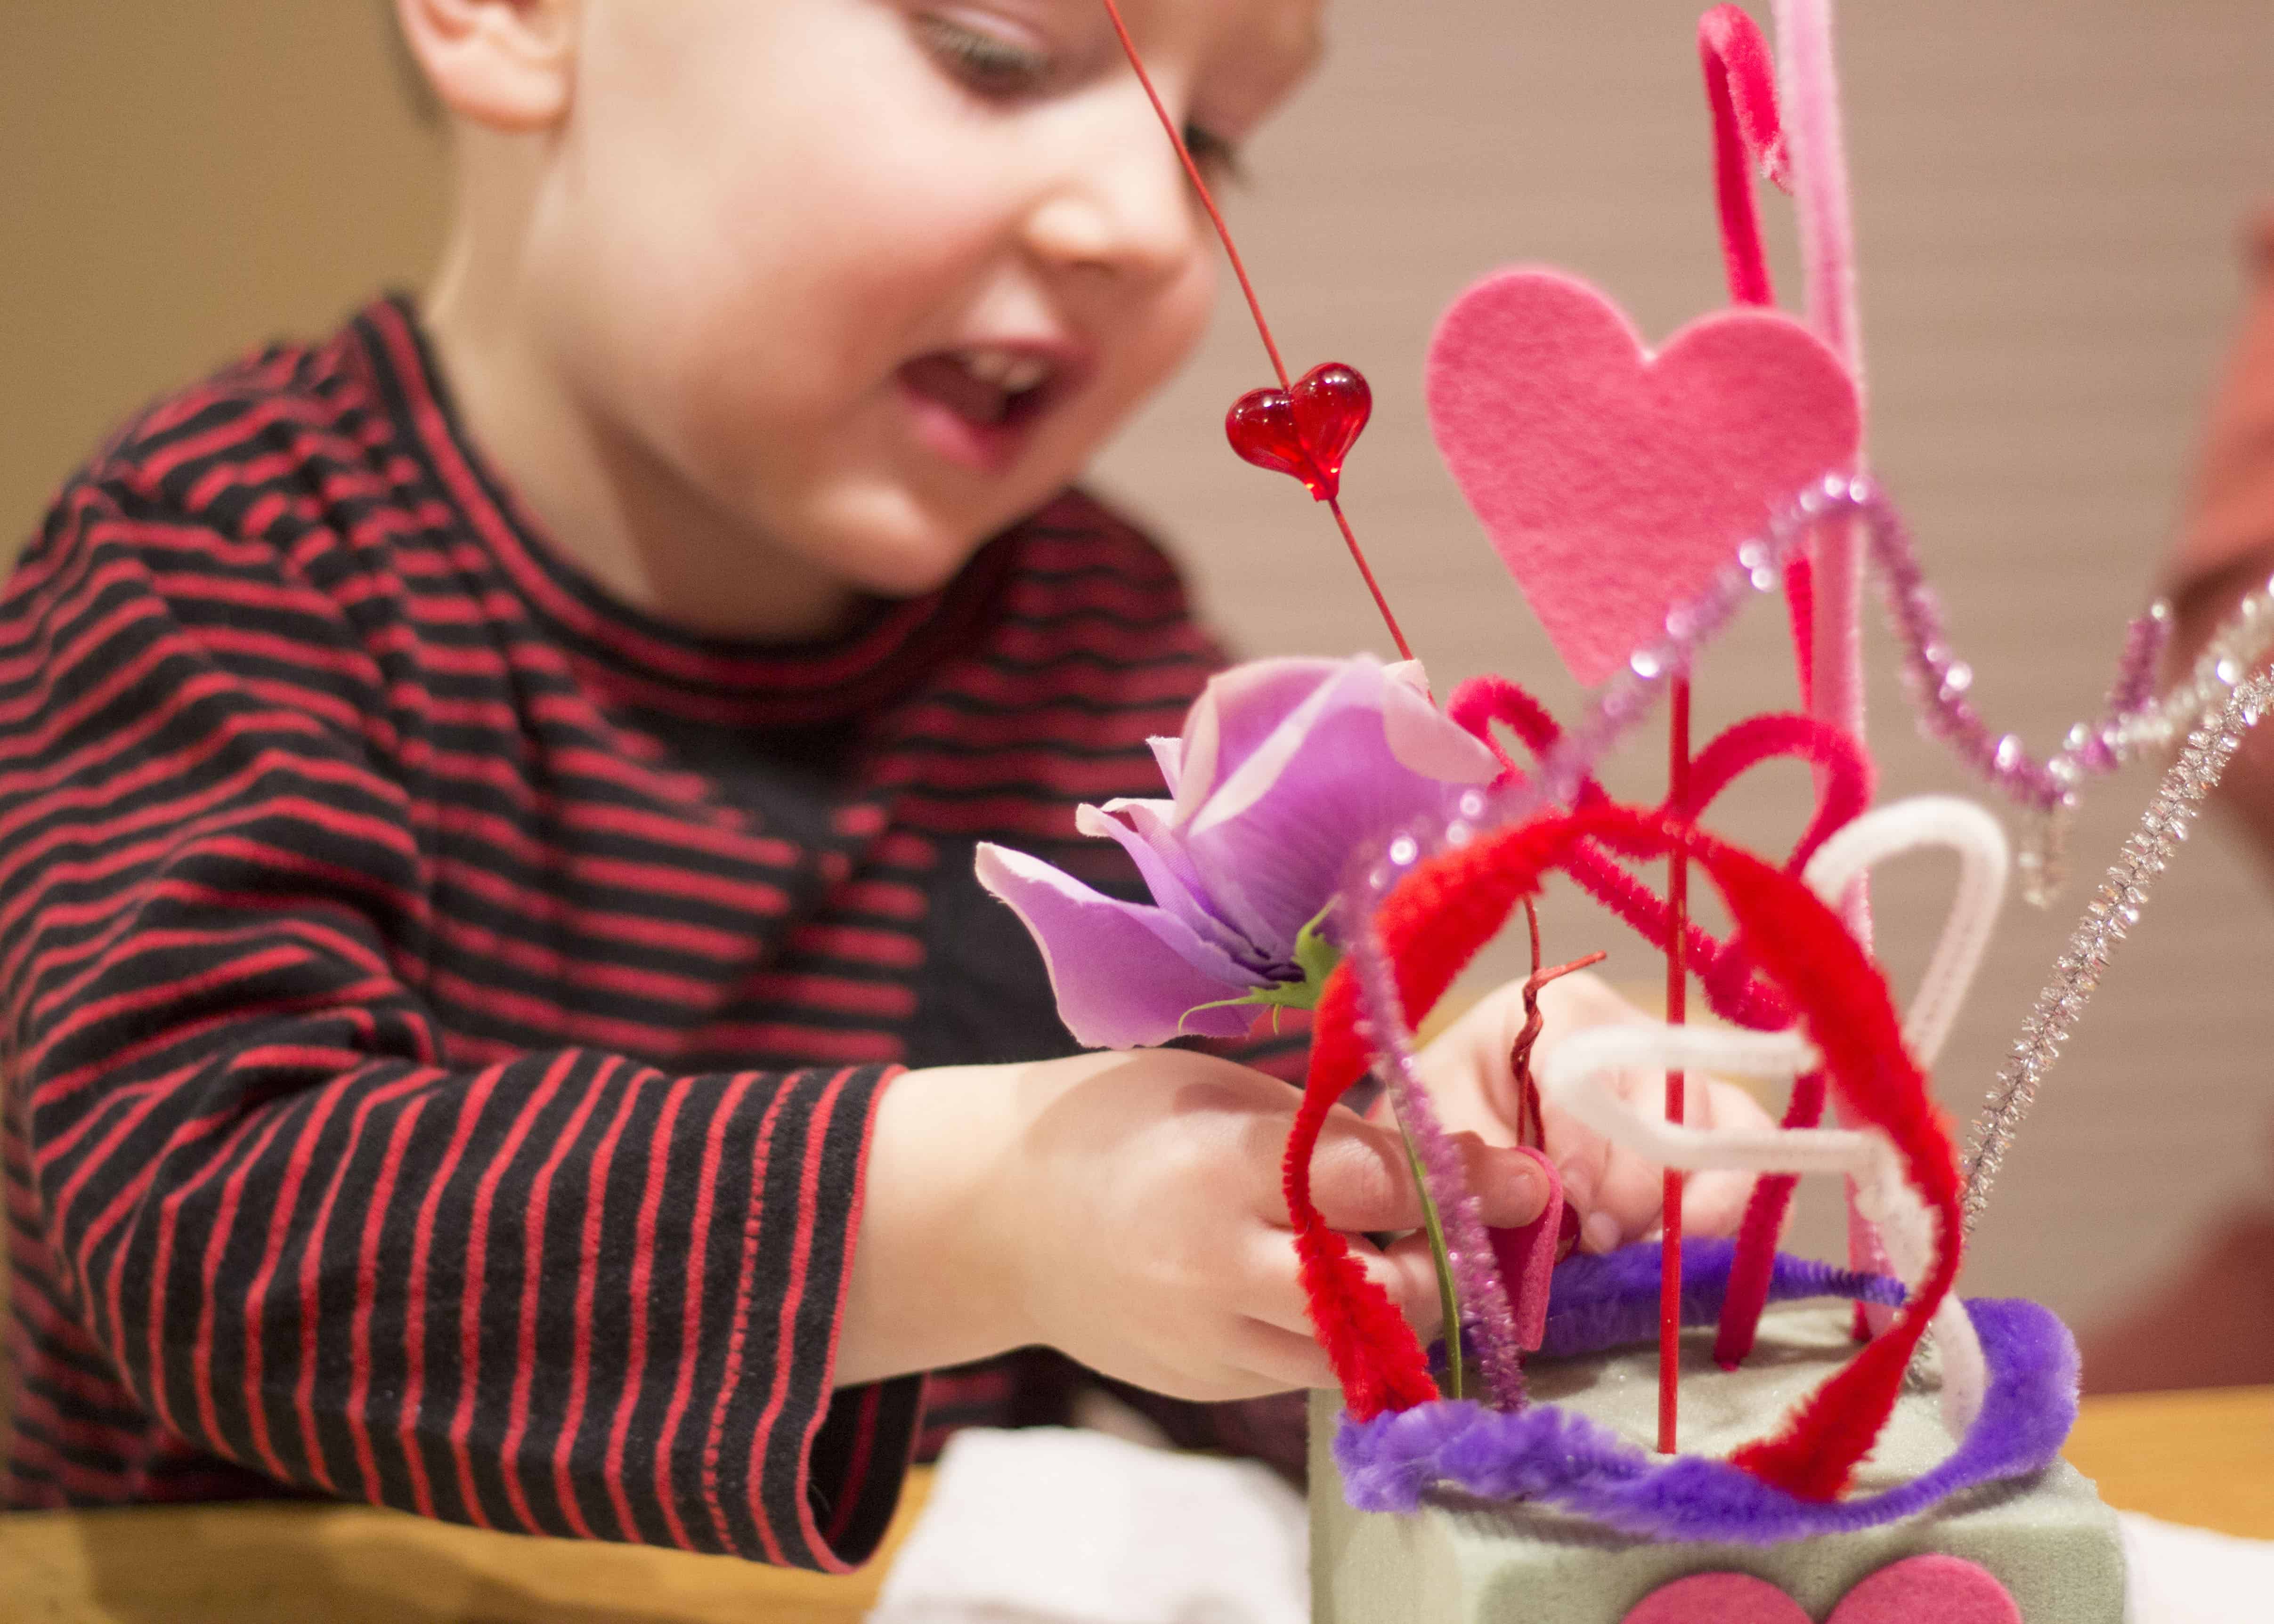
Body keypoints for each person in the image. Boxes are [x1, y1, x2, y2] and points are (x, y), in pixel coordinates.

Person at [0, 0, 1770, 1570]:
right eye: (991, 54)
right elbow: (207, 1217)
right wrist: (995, 1209)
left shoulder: (1087, 636)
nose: (1150, 223)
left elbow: (1227, 1252)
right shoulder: (221, 561)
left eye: (1210, 138)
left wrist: (1445, 1150)